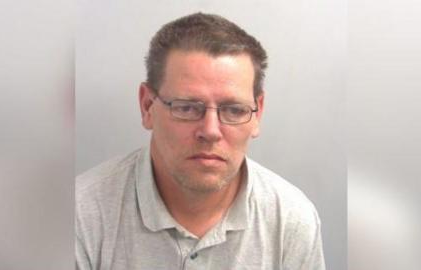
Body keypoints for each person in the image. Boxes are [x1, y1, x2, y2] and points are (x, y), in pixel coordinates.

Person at [76, 12, 326, 270]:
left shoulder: (291, 220)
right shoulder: (80, 215)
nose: (210, 131)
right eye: (186, 108)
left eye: (234, 110)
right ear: (147, 106)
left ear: (257, 113)